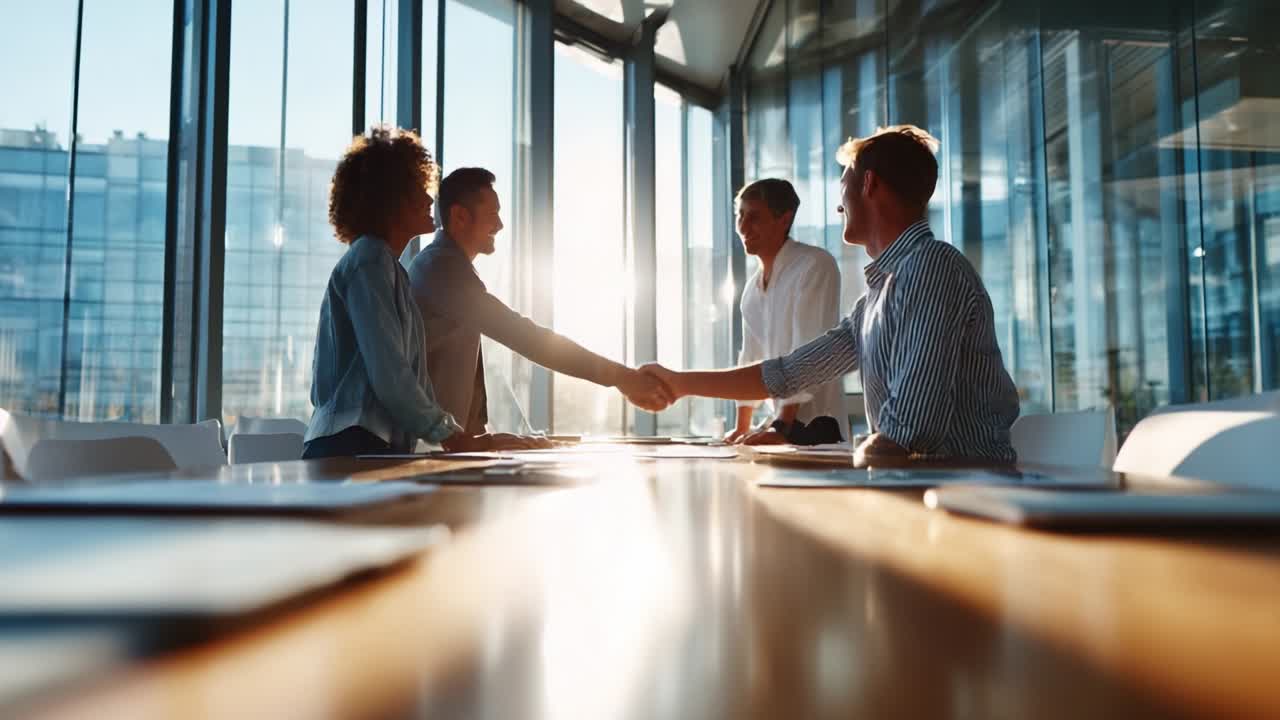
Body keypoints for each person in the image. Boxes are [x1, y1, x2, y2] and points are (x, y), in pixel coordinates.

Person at [641, 125, 1020, 464]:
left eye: (843, 187)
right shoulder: (875, 298)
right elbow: (788, 373)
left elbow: (908, 433)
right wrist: (679, 382)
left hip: (969, 495)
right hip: (922, 487)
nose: (839, 205)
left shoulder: (931, 267)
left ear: (868, 184)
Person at [302, 127, 520, 459]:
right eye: (418, 190)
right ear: (389, 199)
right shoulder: (369, 261)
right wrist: (452, 435)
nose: (430, 201)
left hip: (374, 446)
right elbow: (390, 373)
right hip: (347, 446)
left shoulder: (394, 272)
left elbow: (414, 380)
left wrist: (460, 434)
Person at [406, 167, 672, 437]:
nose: (499, 225)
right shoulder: (441, 269)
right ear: (460, 216)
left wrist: (479, 434)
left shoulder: (447, 267)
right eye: (492, 215)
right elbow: (525, 337)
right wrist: (622, 377)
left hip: (443, 442)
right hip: (429, 444)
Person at [727, 178, 846, 446]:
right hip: (777, 430)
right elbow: (751, 359)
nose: (744, 226)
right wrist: (741, 428)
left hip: (817, 430)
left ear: (784, 219)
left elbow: (808, 356)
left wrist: (782, 427)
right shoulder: (751, 290)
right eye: (740, 215)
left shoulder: (814, 265)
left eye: (754, 217)